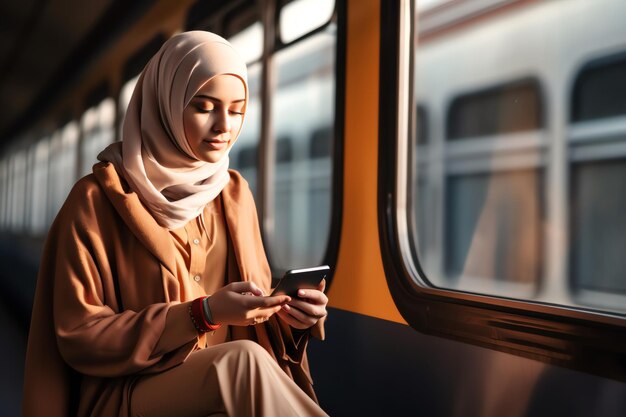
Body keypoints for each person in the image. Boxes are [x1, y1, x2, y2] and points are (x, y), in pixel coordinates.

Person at [21, 31, 329, 417]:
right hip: (131, 393)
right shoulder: (96, 200)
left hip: (228, 392)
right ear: (165, 103)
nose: (224, 127)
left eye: (237, 110)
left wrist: (291, 317)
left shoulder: (235, 194)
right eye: (203, 106)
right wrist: (202, 315)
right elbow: (79, 335)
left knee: (242, 363)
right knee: (242, 365)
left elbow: (254, 315)